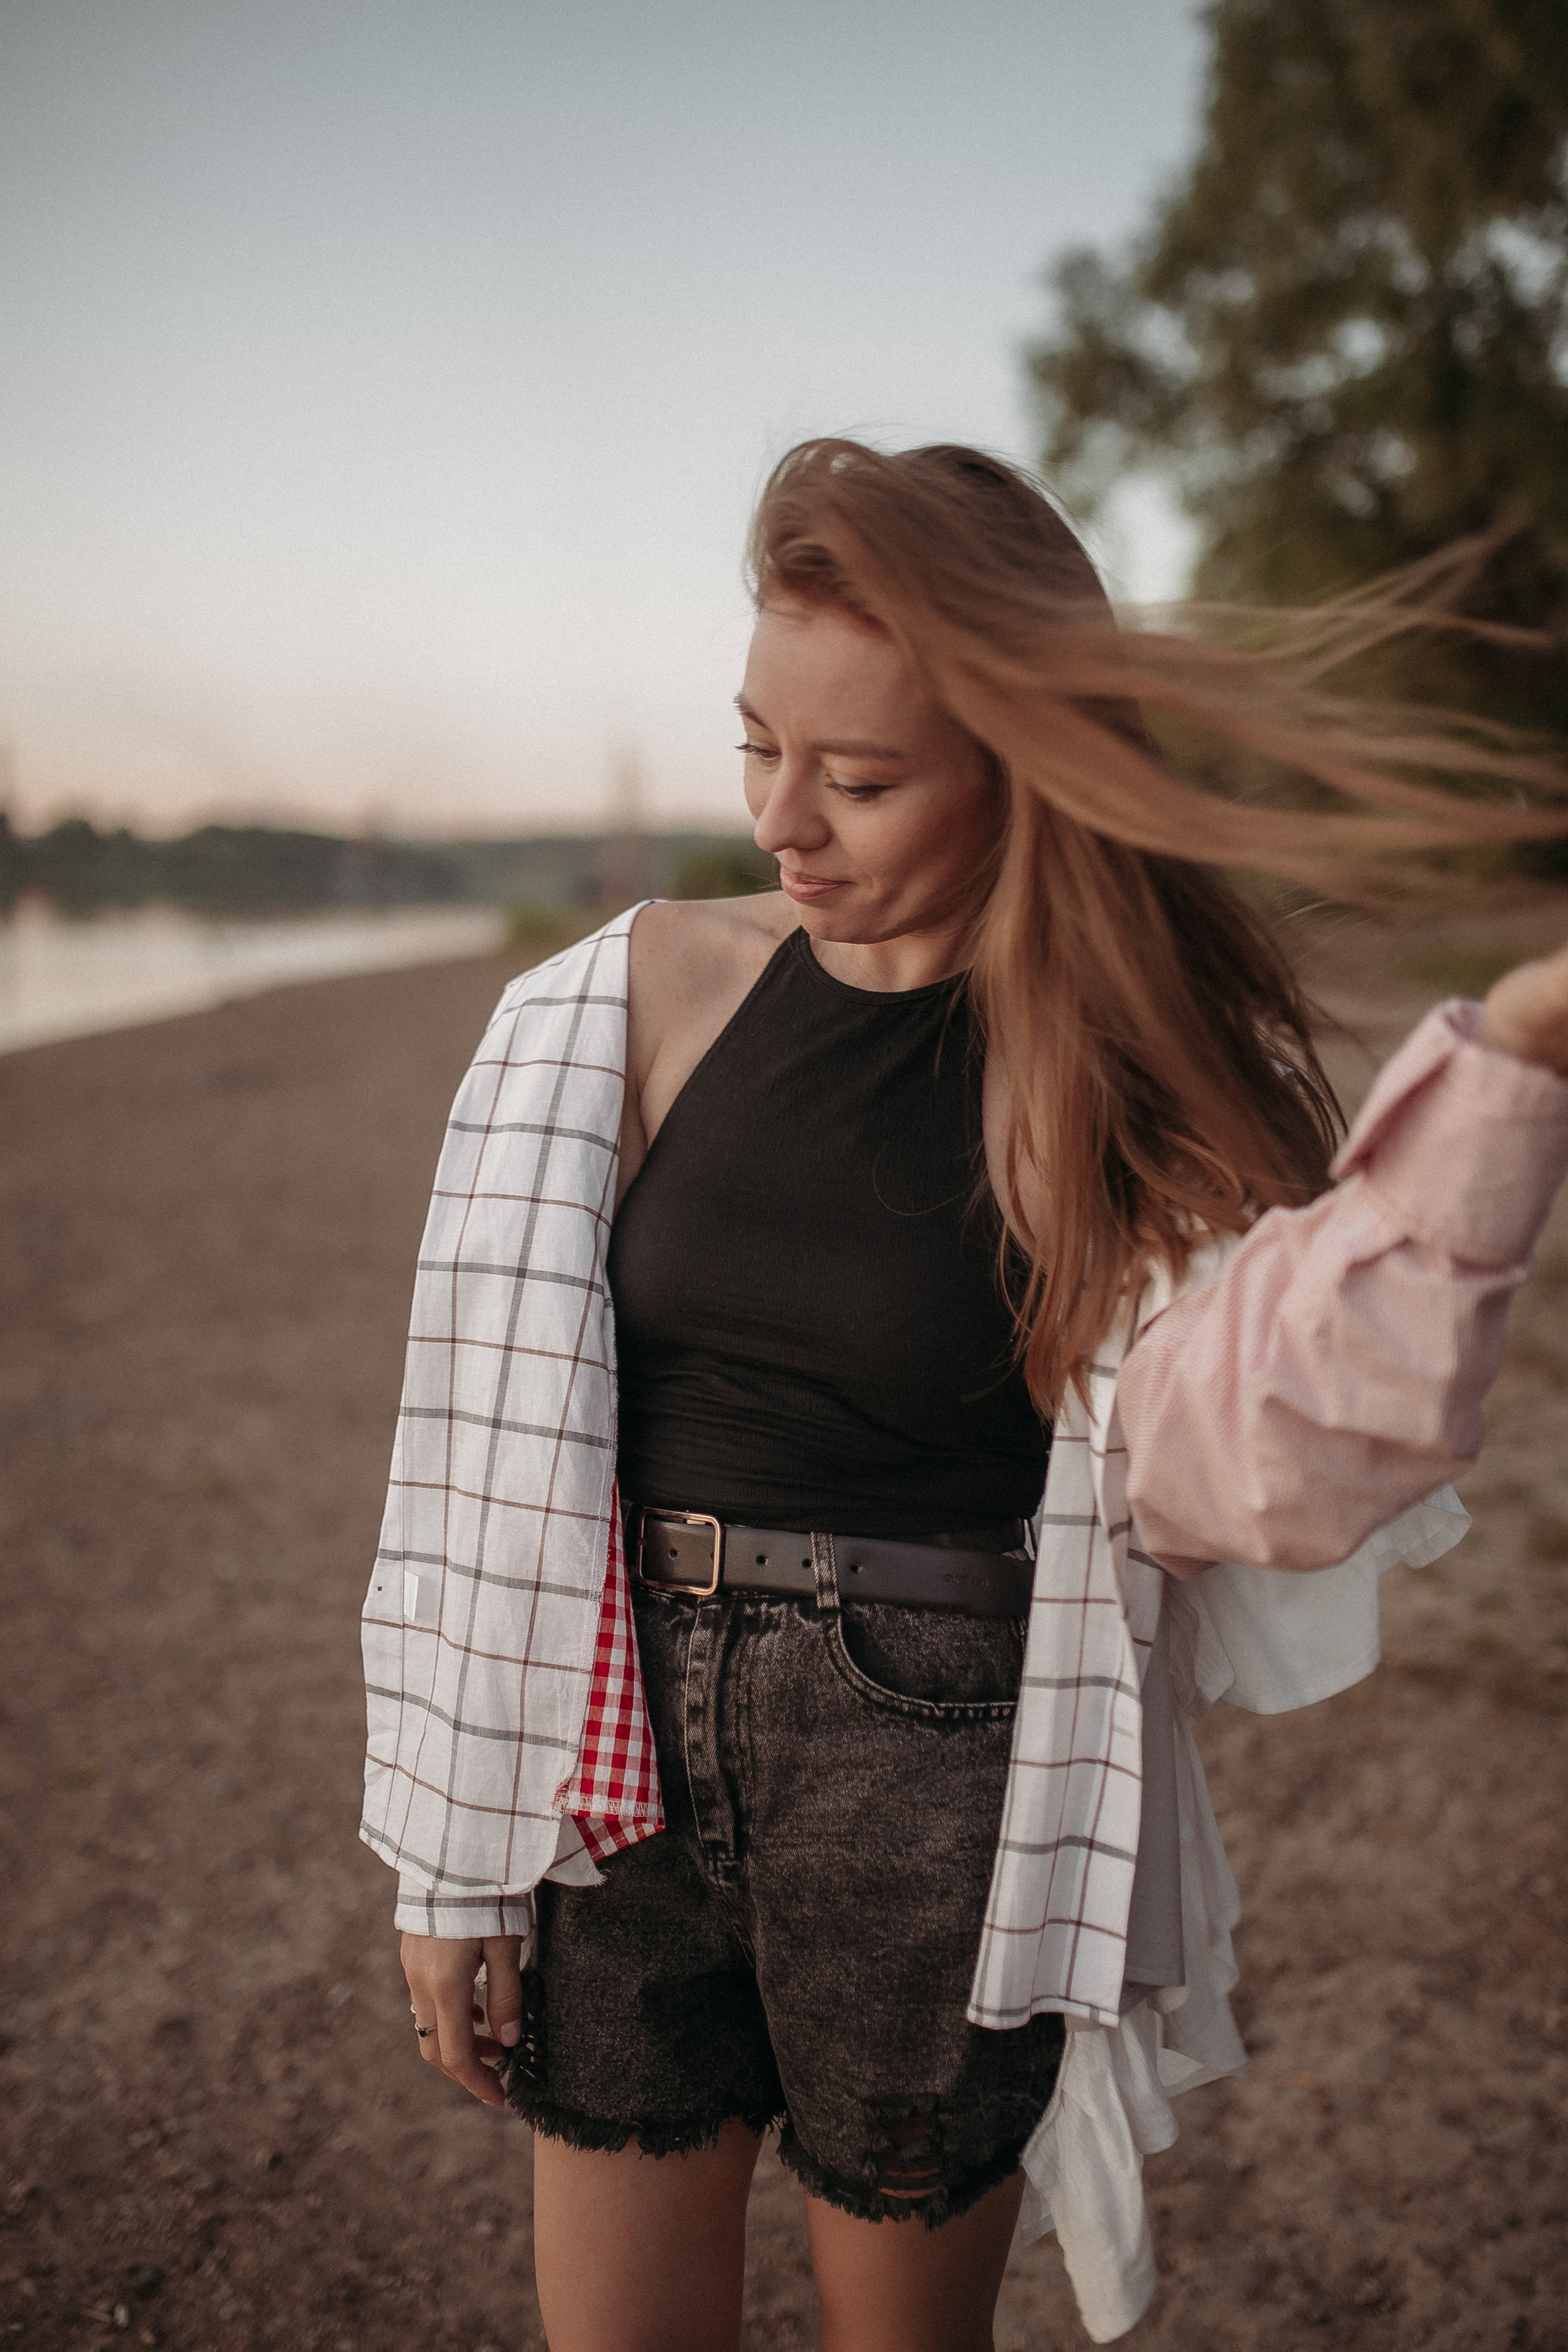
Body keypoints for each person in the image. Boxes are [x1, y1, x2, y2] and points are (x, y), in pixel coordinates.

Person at [363, 440, 1568, 2351]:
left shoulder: (1115, 1071)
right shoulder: (623, 1001)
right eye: (757, 746)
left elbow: (1278, 1442)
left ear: (1020, 767)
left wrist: (1509, 1068)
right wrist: (451, 1851)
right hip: (615, 1779)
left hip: (930, 1764)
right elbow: (471, 1462)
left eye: (856, 778)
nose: (782, 823)